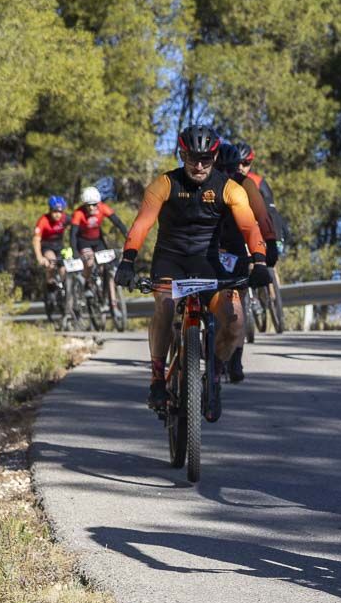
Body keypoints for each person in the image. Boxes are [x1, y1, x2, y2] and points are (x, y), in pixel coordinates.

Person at [114, 125, 273, 410]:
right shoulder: (164, 183)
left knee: (234, 322)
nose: (199, 166)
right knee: (164, 307)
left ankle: (212, 374)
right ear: (182, 155)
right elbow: (142, 224)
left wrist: (259, 261)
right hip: (170, 259)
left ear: (214, 158)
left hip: (208, 262)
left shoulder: (229, 188)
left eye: (206, 159)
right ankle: (157, 379)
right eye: (192, 158)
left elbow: (250, 226)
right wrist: (128, 260)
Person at [216, 142, 280, 382]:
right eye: (220, 169)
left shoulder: (247, 184)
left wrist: (270, 244)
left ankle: (236, 358)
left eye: (231, 169)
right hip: (207, 247)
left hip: (233, 247)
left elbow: (263, 217)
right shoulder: (202, 184)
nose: (226, 174)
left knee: (237, 305)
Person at [70, 186, 129, 292]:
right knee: (89, 262)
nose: (92, 208)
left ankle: (105, 293)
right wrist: (74, 250)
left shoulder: (103, 207)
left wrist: (128, 237)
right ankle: (87, 284)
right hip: (83, 241)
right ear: (84, 204)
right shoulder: (78, 213)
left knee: (105, 265)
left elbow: (118, 223)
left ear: (98, 203)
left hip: (98, 240)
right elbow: (73, 234)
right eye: (89, 205)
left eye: (94, 204)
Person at [33, 195, 69, 290]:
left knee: (64, 267)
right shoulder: (43, 220)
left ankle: (65, 289)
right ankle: (50, 283)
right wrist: (39, 257)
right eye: (55, 211)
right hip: (47, 246)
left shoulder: (65, 218)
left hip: (60, 246)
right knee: (52, 261)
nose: (58, 214)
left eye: (60, 212)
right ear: (50, 210)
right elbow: (36, 240)